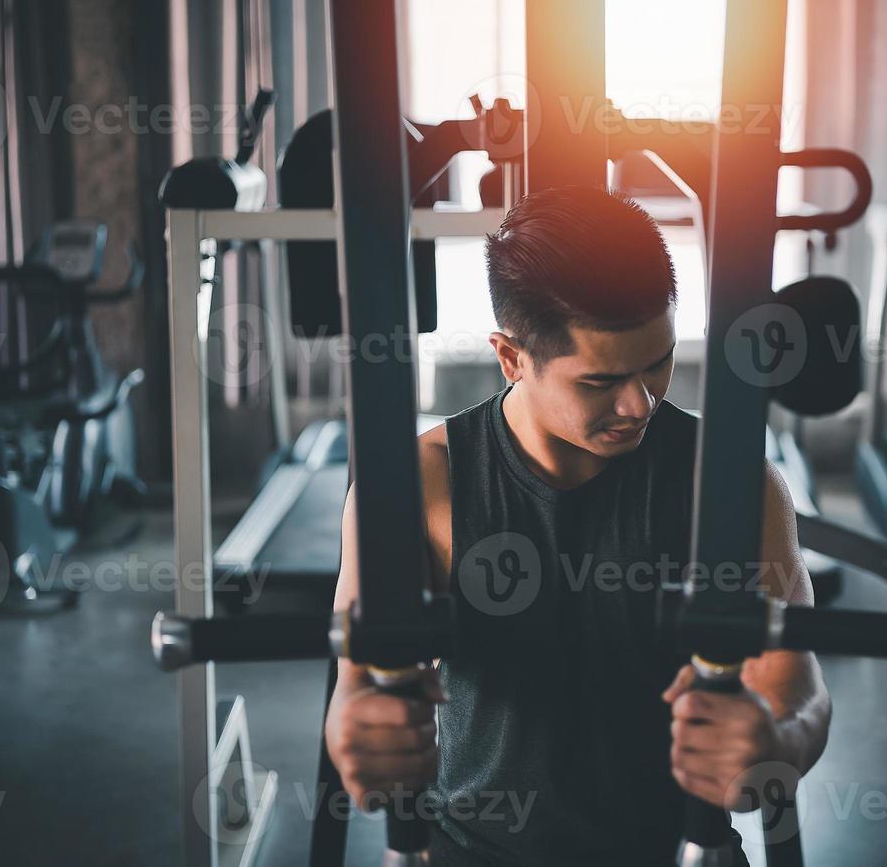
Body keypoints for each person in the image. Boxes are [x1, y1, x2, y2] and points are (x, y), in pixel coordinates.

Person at [325, 186, 832, 866]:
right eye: (600, 382)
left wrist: (777, 741)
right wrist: (360, 732)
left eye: (658, 363)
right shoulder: (424, 486)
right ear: (512, 358)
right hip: (470, 850)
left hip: (678, 848)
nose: (641, 402)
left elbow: (797, 685)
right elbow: (357, 684)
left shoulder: (732, 483)